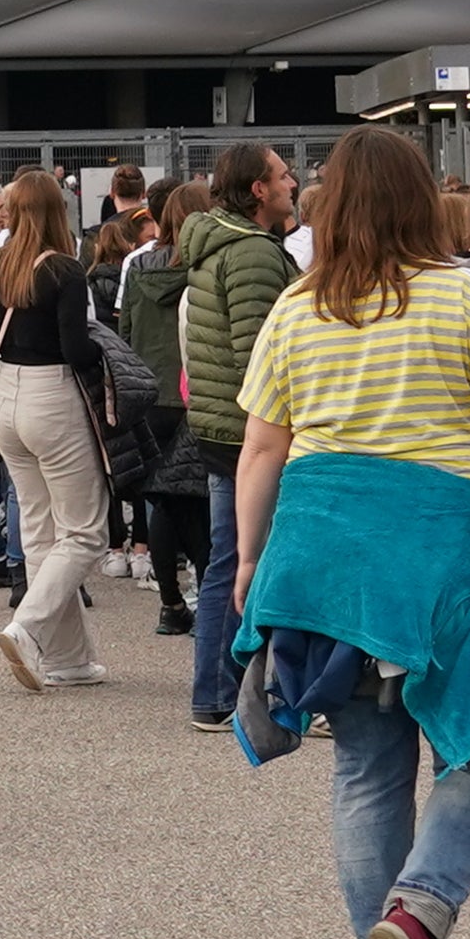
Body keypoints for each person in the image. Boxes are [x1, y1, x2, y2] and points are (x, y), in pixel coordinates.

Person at [225, 127, 470, 939]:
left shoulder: (298, 307)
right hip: (440, 547)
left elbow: (263, 445)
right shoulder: (463, 296)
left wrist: (254, 560)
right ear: (427, 202)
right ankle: (418, 916)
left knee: (367, 766)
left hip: (323, 550)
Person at [0, 172, 124, 690]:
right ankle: (28, 628)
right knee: (84, 531)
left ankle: (68, 659)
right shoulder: (64, 270)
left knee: (40, 529)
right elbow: (76, 349)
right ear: (58, 210)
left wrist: (2, 366)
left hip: (5, 397)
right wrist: (105, 355)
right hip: (52, 396)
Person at [169, 142, 294, 733]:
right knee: (257, 558)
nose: (292, 181)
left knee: (229, 558)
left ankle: (216, 692)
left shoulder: (214, 242)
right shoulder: (251, 254)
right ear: (257, 190)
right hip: (252, 428)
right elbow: (263, 355)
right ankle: (244, 689)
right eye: (282, 174)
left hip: (220, 422)